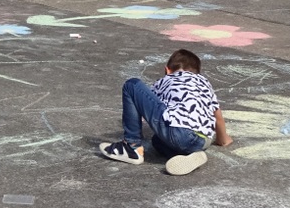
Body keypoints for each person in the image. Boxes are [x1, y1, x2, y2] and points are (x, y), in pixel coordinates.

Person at [98, 48, 232, 176]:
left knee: (132, 85)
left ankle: (131, 147)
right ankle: (190, 155)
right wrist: (223, 140)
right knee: (157, 140)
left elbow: (146, 106)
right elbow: (217, 115)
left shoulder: (166, 80)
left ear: (167, 70)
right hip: (202, 141)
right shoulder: (204, 83)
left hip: (179, 132)